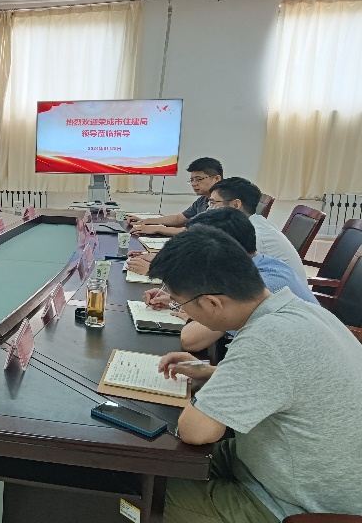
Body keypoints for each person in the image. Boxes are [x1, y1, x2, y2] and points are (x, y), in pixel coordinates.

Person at [147, 226, 362, 523]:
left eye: (179, 304)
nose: (181, 312)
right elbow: (288, 380)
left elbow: (196, 432)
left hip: (299, 504)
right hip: (282, 465)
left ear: (212, 302)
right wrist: (210, 372)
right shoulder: (298, 309)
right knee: (153, 465)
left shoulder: (265, 339)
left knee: (140, 493)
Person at [143, 208, 319, 352]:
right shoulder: (257, 265)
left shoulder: (263, 284)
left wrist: (188, 310)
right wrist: (179, 300)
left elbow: (191, 340)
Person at [206, 177, 307, 281]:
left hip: (279, 289)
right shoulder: (253, 221)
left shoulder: (253, 236)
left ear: (236, 205)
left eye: (213, 203)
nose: (208, 209)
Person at [128, 157, 223, 236]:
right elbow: (179, 219)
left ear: (216, 178)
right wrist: (146, 221)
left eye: (199, 179)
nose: (194, 184)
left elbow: (200, 231)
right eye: (192, 180)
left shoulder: (224, 202)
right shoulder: (203, 200)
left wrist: (158, 229)